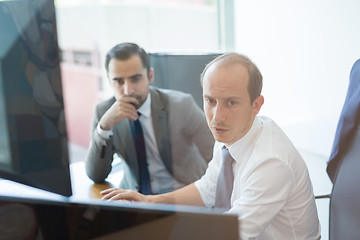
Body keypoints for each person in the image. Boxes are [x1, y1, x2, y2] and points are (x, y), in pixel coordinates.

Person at [100, 52, 321, 239]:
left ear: (256, 105)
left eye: (231, 102)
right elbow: (208, 188)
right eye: (210, 100)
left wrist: (157, 228)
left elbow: (228, 233)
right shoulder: (232, 134)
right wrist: (151, 202)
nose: (216, 117)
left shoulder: (270, 161)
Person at [86, 42, 214, 195]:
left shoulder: (181, 105)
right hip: (136, 200)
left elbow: (217, 155)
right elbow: (95, 175)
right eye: (119, 81)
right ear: (109, 81)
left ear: (150, 76)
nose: (127, 90)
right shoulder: (103, 113)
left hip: (183, 196)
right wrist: (104, 128)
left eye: (135, 79)